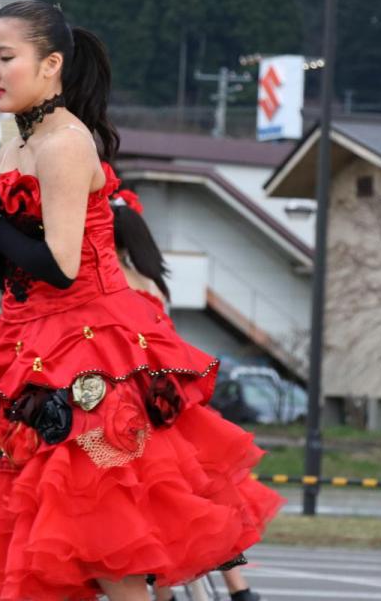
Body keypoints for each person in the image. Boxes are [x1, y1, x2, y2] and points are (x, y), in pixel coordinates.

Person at [0, 0, 282, 601]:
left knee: (101, 524)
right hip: (28, 343)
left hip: (89, 349)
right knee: (33, 527)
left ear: (50, 65)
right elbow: (11, 277)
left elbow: (63, 268)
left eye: (5, 58)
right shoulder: (15, 146)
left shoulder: (66, 143)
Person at [111, 192, 262, 601]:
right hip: (173, 393)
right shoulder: (154, 281)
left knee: (153, 502)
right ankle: (239, 587)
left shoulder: (117, 281)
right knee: (202, 490)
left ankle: (169, 593)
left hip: (138, 394)